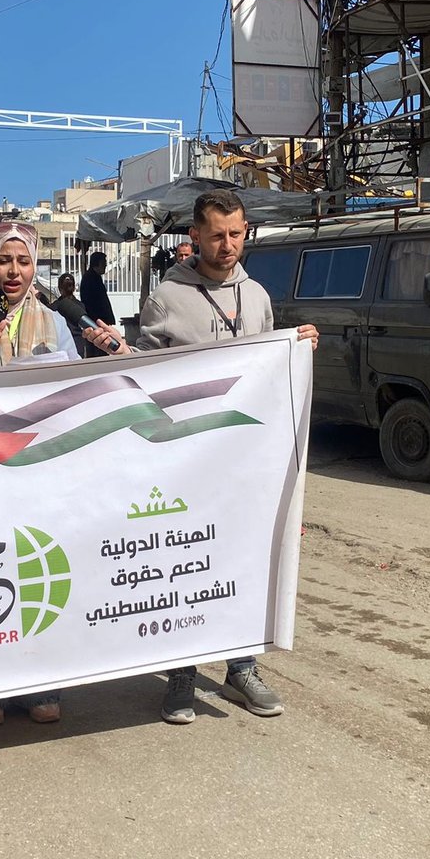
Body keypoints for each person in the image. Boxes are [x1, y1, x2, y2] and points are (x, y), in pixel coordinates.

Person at [134, 187, 319, 725]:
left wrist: (298, 345)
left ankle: (242, 668)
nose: (228, 244)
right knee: (187, 563)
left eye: (236, 233)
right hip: (186, 461)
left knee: (241, 559)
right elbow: (144, 375)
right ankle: (182, 673)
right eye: (217, 235)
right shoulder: (167, 297)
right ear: (195, 236)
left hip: (244, 462)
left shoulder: (257, 296)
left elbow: (270, 368)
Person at [0, 221, 122, 725]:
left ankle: (41, 683)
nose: (13, 272)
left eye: (22, 261)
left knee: (38, 568)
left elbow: (72, 391)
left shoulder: (56, 323)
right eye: (3, 260)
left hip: (40, 468)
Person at [53, 272, 90, 356]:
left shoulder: (54, 307)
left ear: (59, 288)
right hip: (78, 343)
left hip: (61, 345)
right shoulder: (81, 305)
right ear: (73, 288)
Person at [80, 250, 115, 335]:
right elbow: (93, 302)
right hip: (96, 322)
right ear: (96, 264)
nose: (105, 265)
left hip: (99, 321)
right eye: (103, 263)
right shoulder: (90, 278)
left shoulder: (95, 277)